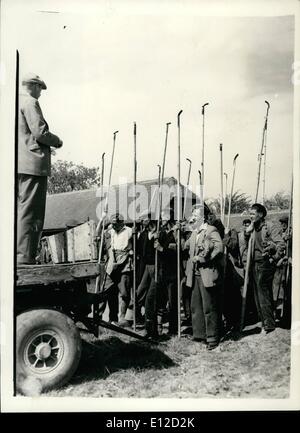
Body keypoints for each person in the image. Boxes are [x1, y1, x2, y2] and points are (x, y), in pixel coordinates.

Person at [18, 73, 63, 265]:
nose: (41, 93)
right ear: (35, 86)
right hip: (33, 165)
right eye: (40, 89)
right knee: (31, 212)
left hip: (18, 164)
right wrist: (57, 141)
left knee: (20, 211)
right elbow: (40, 132)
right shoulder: (30, 103)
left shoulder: (13, 103)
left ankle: (19, 255)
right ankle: (24, 257)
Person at [185, 205, 224, 350]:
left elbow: (219, 248)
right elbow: (184, 246)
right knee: (196, 306)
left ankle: (212, 338)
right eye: (192, 214)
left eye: (195, 215)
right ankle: (199, 335)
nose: (193, 217)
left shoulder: (211, 230)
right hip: (194, 275)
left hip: (207, 273)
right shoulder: (194, 233)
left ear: (203, 217)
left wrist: (203, 259)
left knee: (209, 306)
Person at [247, 203, 285, 334]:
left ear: (261, 214)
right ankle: (264, 320)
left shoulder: (269, 226)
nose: (250, 216)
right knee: (257, 293)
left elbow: (281, 244)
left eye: (253, 214)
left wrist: (274, 255)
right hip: (254, 263)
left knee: (263, 290)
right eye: (250, 214)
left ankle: (268, 324)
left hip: (266, 262)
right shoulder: (252, 227)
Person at [99, 213, 133, 326]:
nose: (114, 226)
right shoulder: (110, 232)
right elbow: (101, 240)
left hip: (125, 262)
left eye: (116, 224)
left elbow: (132, 247)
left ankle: (122, 318)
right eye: (112, 224)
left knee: (124, 293)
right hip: (112, 261)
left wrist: (129, 254)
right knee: (109, 291)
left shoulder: (129, 231)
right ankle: (111, 318)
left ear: (121, 223)